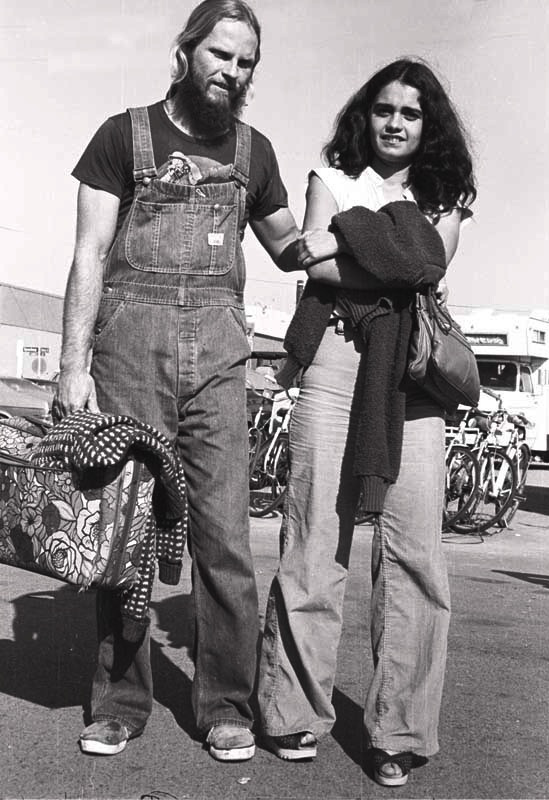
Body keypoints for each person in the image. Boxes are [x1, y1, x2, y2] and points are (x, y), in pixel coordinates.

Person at [54, 0, 301, 762]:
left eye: (246, 61)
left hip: (221, 359)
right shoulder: (120, 135)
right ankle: (120, 701)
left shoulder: (255, 153)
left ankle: (228, 704)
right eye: (220, 54)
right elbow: (90, 255)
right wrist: (72, 366)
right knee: (124, 528)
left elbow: (290, 246)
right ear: (186, 50)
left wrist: (365, 226)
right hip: (129, 350)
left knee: (225, 535)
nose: (231, 72)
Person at [257, 59, 476, 786]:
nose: (393, 123)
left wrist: (341, 238)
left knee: (413, 554)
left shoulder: (445, 191)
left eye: (410, 114)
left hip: (409, 374)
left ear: (428, 124)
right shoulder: (333, 174)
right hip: (333, 359)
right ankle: (293, 713)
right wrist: (372, 246)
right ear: (365, 112)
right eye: (383, 108)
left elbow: (425, 269)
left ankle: (398, 730)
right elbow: (313, 269)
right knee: (315, 537)